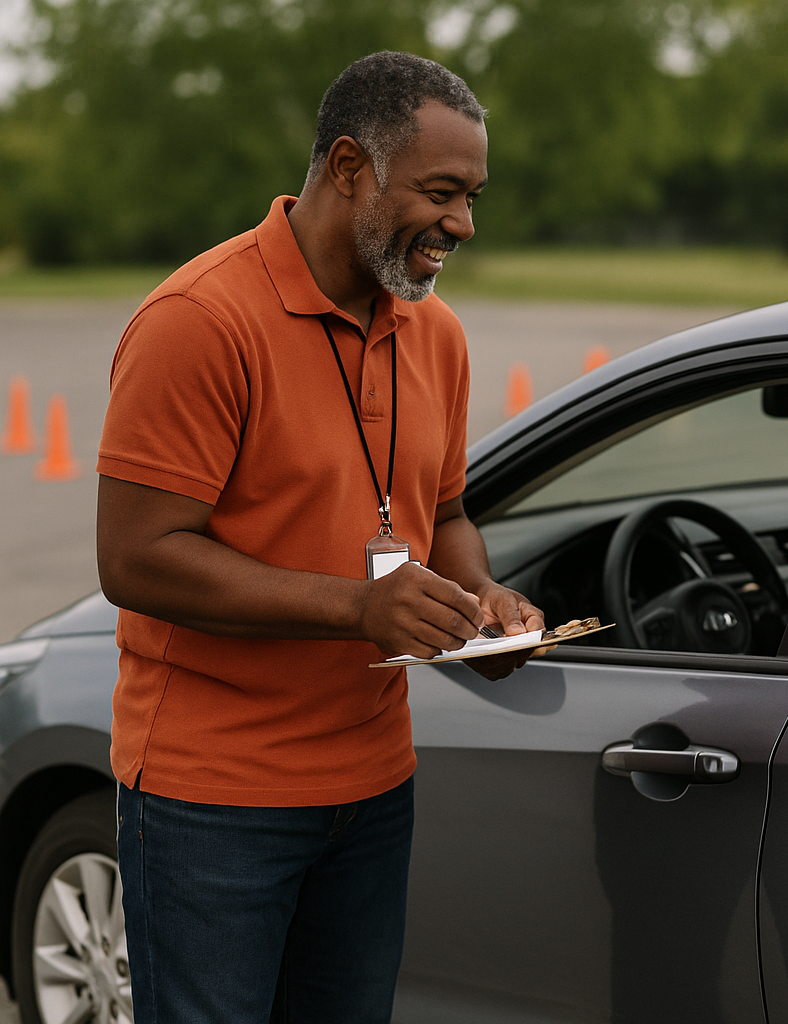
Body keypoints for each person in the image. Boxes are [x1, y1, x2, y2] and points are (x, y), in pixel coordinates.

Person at [94, 52, 543, 1023]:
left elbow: (449, 510)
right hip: (213, 800)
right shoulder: (199, 321)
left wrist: (481, 607)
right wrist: (359, 606)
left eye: (472, 196)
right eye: (442, 192)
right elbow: (136, 556)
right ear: (350, 168)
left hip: (375, 787)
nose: (463, 223)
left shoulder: (441, 336)